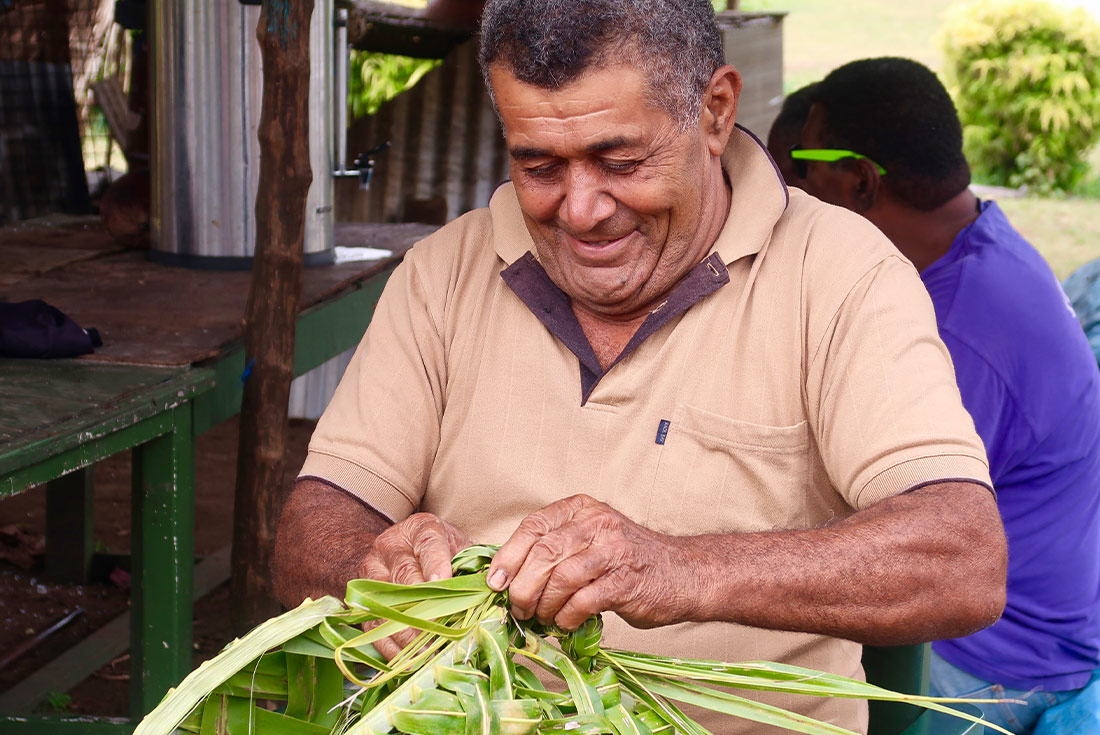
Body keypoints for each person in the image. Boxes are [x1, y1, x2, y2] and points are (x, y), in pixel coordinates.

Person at [273, 6, 1007, 734]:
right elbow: (314, 526)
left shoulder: (843, 274)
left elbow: (962, 556)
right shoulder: (445, 272)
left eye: (621, 162)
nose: (582, 210)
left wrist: (683, 570)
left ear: (716, 111)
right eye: (538, 165)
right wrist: (373, 566)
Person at [777, 57, 1100, 735]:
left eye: (803, 167)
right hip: (1037, 621)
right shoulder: (977, 245)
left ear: (860, 180)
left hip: (999, 659)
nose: (789, 190)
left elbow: (884, 541)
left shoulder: (955, 329)